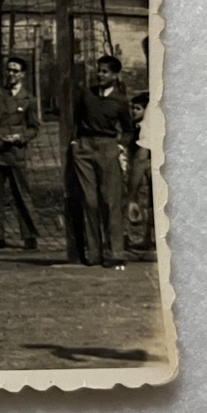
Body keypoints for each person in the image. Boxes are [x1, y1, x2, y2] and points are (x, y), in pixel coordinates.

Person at [71, 55, 133, 269]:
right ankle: (94, 253)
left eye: (105, 71)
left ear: (115, 75)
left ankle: (115, 252)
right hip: (84, 148)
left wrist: (120, 147)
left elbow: (128, 129)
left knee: (110, 201)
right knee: (90, 200)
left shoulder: (121, 100)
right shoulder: (86, 94)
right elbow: (75, 119)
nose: (100, 74)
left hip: (108, 149)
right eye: (99, 70)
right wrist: (75, 143)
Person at [0, 56, 41, 250]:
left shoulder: (29, 99)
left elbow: (33, 127)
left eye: (15, 71)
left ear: (22, 74)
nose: (11, 74)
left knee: (22, 195)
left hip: (16, 153)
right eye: (8, 70)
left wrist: (20, 137)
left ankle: (30, 235)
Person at [125, 92, 156, 258]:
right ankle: (148, 237)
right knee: (151, 201)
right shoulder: (134, 129)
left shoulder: (149, 121)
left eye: (137, 108)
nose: (133, 112)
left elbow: (141, 157)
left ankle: (152, 238)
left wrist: (131, 195)